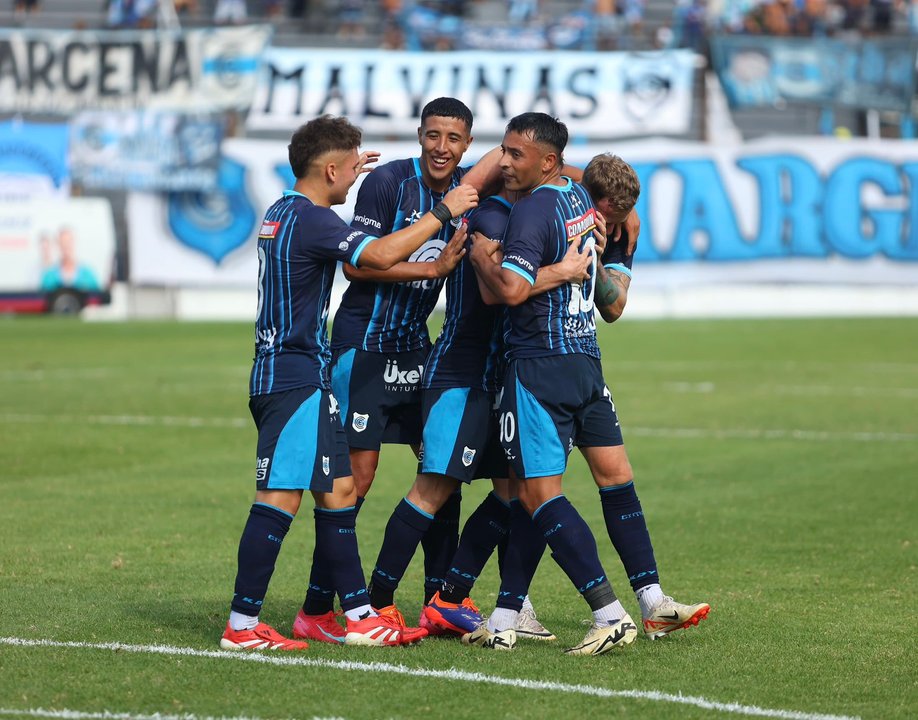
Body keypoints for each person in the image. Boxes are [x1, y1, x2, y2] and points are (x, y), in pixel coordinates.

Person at [220, 115, 478, 651]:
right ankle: (242, 627)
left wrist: (341, 167)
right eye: (349, 170)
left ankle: (349, 615)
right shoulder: (315, 220)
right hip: (293, 375)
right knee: (277, 500)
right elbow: (378, 255)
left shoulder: (283, 210)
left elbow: (334, 188)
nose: (357, 180)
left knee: (339, 493)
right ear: (331, 168)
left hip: (295, 373)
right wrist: (442, 212)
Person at [466, 114, 709, 654]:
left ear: (547, 162)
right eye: (503, 152)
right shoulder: (582, 202)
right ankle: (518, 615)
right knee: (612, 478)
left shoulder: (534, 210)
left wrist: (482, 260)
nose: (504, 163)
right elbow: (584, 180)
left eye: (515, 155)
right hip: (586, 363)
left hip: (538, 364)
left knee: (538, 493)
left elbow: (508, 290)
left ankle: (609, 611)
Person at [290, 97, 501, 643]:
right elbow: (363, 263)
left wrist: (614, 196)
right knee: (354, 482)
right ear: (419, 135)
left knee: (443, 470)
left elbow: (530, 154)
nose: (441, 147)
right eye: (433, 135)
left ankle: (441, 598)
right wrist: (433, 265)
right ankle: (318, 608)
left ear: (467, 145)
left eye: (453, 139)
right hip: (363, 348)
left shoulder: (470, 191)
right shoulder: (388, 183)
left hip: (417, 353)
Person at [40, 227, 101, 294]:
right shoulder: (49, 276)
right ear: (58, 245)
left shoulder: (88, 274)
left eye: (68, 242)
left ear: (74, 243)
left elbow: (97, 298)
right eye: (62, 243)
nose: (66, 246)